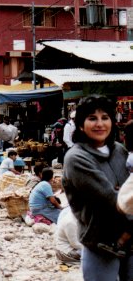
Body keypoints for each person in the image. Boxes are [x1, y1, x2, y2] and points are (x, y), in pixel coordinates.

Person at [63, 95, 133, 280]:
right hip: (100, 242)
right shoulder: (76, 158)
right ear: (80, 124)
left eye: (105, 117)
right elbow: (109, 199)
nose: (100, 124)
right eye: (92, 118)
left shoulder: (119, 150)